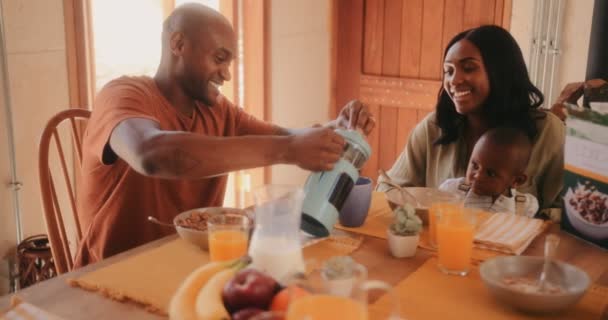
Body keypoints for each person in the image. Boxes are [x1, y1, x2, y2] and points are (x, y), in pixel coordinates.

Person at [74, 4, 375, 267]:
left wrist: (334, 128)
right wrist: (289, 149)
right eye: (219, 59)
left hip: (189, 262)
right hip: (113, 273)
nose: (226, 74)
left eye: (229, 63)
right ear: (178, 44)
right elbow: (151, 154)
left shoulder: (218, 110)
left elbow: (284, 135)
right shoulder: (122, 95)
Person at [377, 25, 564, 220]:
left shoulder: (547, 131)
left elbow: (565, 216)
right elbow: (387, 188)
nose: (454, 80)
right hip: (438, 246)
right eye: (448, 71)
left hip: (515, 249)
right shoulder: (435, 127)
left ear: (499, 71)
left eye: (468, 68)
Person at [439, 127, 539, 217]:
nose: (478, 176)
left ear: (517, 180)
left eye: (491, 173)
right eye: (475, 166)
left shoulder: (525, 207)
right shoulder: (452, 191)